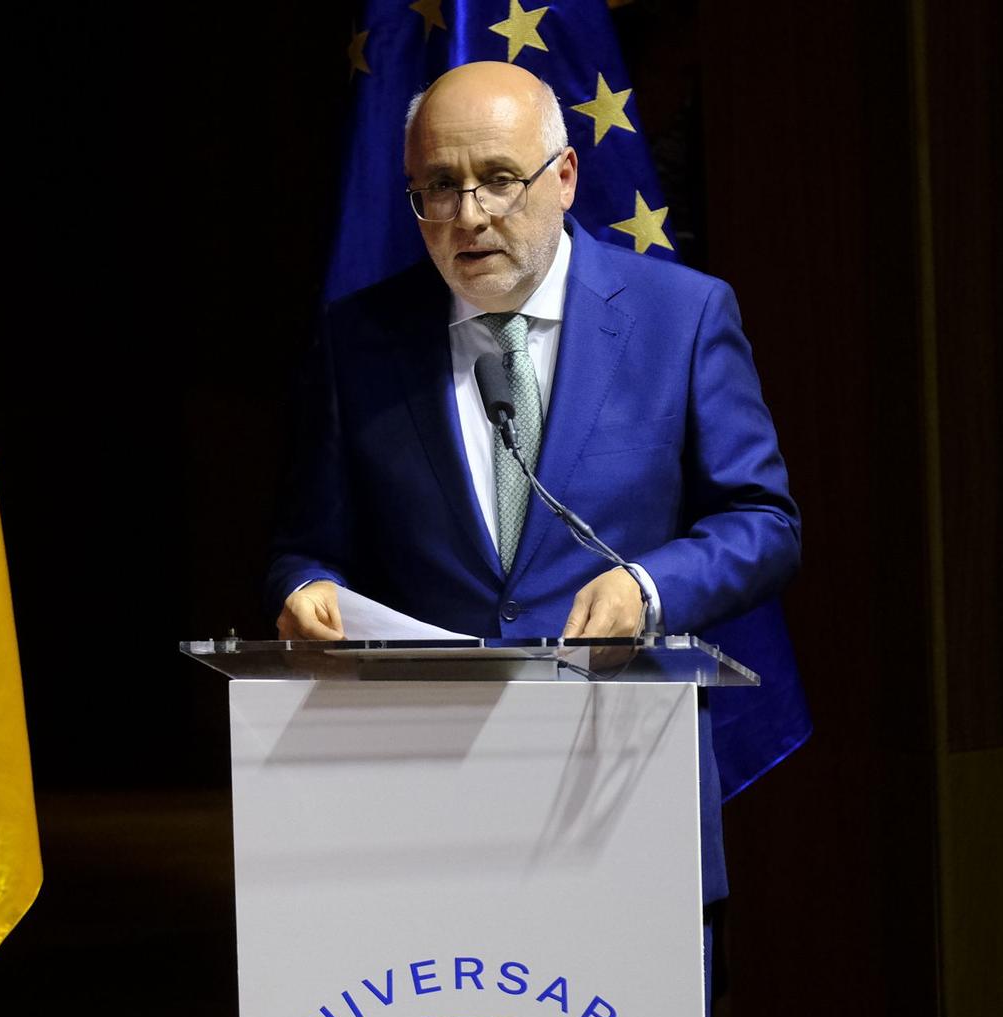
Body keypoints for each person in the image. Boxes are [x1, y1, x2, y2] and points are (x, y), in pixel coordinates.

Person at [266, 60, 799, 909]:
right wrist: (306, 589)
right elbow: (310, 543)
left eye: (499, 181)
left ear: (565, 177)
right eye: (439, 186)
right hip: (422, 803)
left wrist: (648, 591)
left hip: (623, 787)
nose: (468, 215)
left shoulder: (682, 317)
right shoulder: (359, 342)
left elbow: (764, 521)